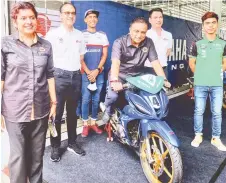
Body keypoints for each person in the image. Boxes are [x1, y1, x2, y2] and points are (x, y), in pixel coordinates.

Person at [1, 2, 57, 183]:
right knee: (18, 157)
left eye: (31, 17)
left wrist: (54, 102)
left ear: (36, 20)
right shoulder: (5, 44)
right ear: (15, 21)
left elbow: (49, 75)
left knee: (37, 154)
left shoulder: (46, 46)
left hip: (40, 109)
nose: (28, 21)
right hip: (14, 110)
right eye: (23, 18)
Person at [102, 17, 171, 122]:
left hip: (137, 77)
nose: (139, 35)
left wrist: (164, 79)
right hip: (120, 76)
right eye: (136, 31)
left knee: (147, 97)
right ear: (130, 30)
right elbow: (115, 63)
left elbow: (155, 62)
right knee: (113, 96)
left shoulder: (148, 42)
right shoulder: (119, 42)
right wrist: (115, 80)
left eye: (143, 32)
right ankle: (107, 110)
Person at [45, 2, 86, 162]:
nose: (70, 15)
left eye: (72, 13)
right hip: (59, 77)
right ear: (61, 15)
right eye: (67, 13)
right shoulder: (52, 34)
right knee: (56, 114)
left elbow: (81, 57)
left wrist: (76, 72)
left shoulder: (79, 35)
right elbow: (48, 60)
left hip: (76, 77)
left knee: (72, 113)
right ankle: (55, 147)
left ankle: (72, 142)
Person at [189, 12, 226, 151]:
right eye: (207, 23)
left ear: (217, 24)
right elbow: (192, 63)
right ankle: (198, 135)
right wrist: (202, 74)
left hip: (217, 84)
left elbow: (225, 63)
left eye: (213, 22)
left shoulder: (223, 43)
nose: (210, 26)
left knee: (217, 112)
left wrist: (214, 72)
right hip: (200, 83)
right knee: (199, 110)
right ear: (203, 26)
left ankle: (216, 138)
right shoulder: (197, 44)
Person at [81, 9, 109, 137]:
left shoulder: (102, 35)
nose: (92, 19)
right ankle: (85, 125)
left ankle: (93, 123)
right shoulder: (80, 35)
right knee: (86, 100)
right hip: (85, 74)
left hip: (99, 73)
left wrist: (97, 70)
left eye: (94, 17)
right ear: (85, 20)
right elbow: (79, 57)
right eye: (90, 17)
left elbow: (104, 55)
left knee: (96, 99)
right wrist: (89, 73)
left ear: (97, 20)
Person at [145, 8, 172, 77]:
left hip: (164, 69)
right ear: (150, 20)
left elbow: (168, 51)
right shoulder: (145, 34)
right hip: (148, 70)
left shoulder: (168, 35)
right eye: (155, 17)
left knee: (164, 87)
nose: (158, 20)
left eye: (160, 17)